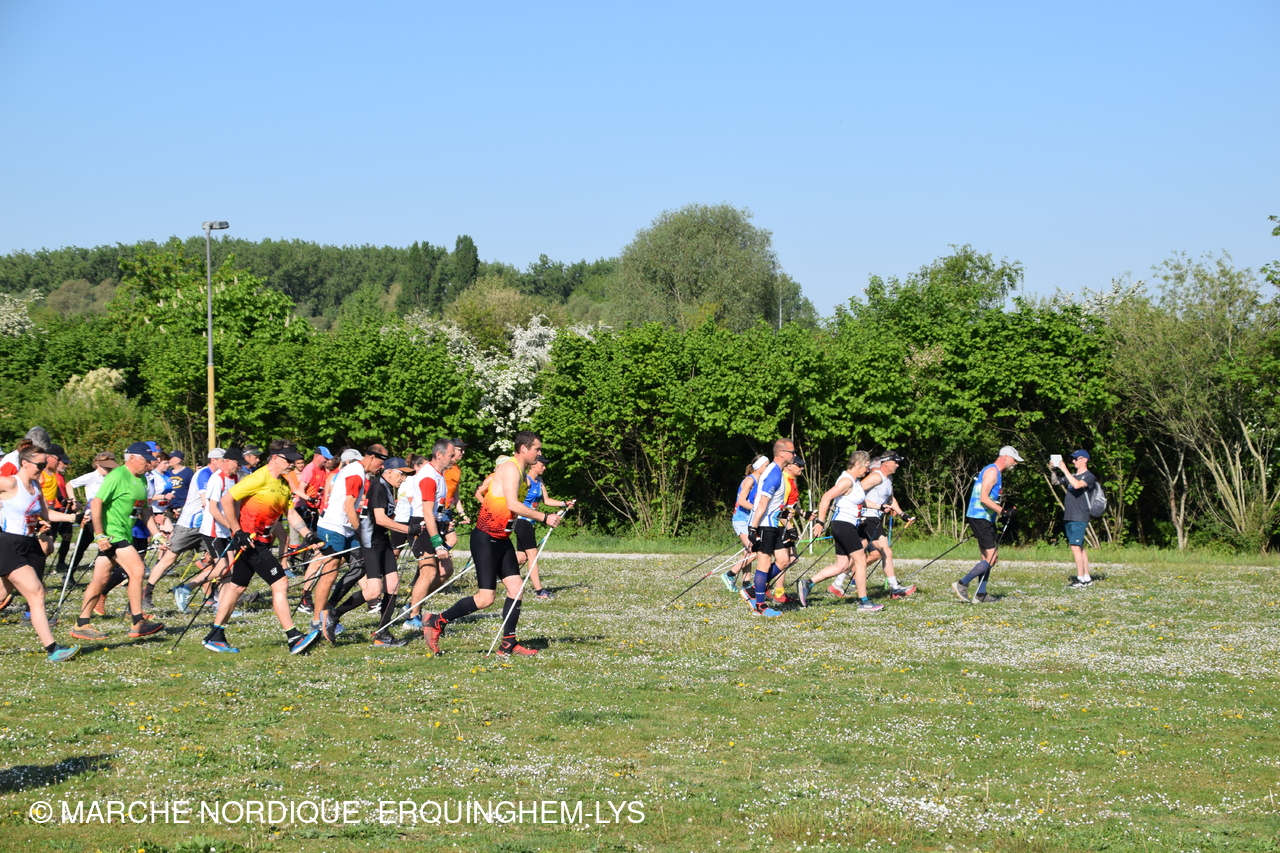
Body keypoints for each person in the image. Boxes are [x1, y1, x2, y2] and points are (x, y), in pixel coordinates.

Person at [423, 431, 561, 657]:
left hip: (502, 539)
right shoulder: (510, 469)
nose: (540, 453)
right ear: (524, 449)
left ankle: (508, 643)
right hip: (486, 539)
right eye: (537, 449)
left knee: (516, 589)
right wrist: (544, 517)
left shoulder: (522, 473)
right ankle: (437, 621)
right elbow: (513, 505)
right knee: (485, 598)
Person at [201, 445, 322, 654]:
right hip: (250, 542)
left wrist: (308, 535)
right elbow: (226, 499)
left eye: (293, 461)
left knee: (237, 587)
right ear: (274, 458)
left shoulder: (283, 483)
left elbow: (290, 514)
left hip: (262, 541)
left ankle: (215, 636)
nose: (291, 464)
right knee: (280, 582)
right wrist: (237, 532)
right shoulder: (258, 477)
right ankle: (294, 637)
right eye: (288, 460)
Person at [69, 442, 166, 641]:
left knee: (100, 579)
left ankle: (81, 624)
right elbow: (97, 502)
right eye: (146, 460)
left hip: (124, 533)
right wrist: (100, 535)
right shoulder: (118, 475)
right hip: (113, 534)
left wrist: (156, 534)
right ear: (132, 458)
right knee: (137, 570)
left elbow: (144, 509)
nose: (149, 464)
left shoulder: (142, 479)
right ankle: (137, 622)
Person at [0, 445, 80, 661]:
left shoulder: (36, 485)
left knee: (2, 595)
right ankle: (53, 650)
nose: (43, 468)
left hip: (30, 544)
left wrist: (74, 518)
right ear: (25, 463)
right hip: (10, 544)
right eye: (40, 464)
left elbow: (47, 514)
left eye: (45, 464)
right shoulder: (9, 483)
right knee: (37, 593)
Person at [328, 456, 413, 647]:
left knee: (393, 585)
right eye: (401, 474)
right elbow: (381, 519)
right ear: (389, 472)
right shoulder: (379, 487)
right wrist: (408, 529)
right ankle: (334, 614)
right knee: (374, 591)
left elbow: (386, 518)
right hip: (371, 543)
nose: (404, 479)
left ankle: (382, 633)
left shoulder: (387, 487)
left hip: (382, 541)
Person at [313, 445, 385, 643]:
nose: (381, 467)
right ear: (371, 457)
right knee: (331, 571)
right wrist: (362, 533)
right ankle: (317, 620)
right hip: (333, 526)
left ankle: (330, 609)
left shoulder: (359, 471)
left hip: (345, 528)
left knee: (361, 565)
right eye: (381, 462)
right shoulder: (355, 472)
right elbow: (348, 506)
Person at [797, 451, 883, 612]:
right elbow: (826, 497)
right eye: (866, 466)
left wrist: (880, 506)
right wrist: (820, 522)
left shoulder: (855, 482)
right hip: (844, 525)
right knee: (861, 561)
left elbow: (859, 500)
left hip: (846, 525)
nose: (867, 470)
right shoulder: (846, 480)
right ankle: (863, 601)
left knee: (842, 566)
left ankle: (807, 583)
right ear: (857, 464)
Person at [952, 446, 1022, 604]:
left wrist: (1003, 510)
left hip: (985, 518)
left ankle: (980, 594)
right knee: (992, 558)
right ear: (1005, 457)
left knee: (986, 558)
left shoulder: (996, 472)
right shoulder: (992, 471)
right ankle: (961, 584)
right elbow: (983, 498)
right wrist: (1003, 512)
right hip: (980, 518)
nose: (1015, 463)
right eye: (1014, 459)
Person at [403, 439, 456, 629]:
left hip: (434, 522)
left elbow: (435, 509)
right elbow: (426, 512)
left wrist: (444, 520)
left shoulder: (439, 474)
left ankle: (412, 605)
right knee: (428, 571)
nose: (453, 459)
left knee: (446, 569)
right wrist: (437, 542)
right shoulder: (428, 476)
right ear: (439, 455)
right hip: (422, 525)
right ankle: (412, 617)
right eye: (451, 455)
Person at [743, 439, 797, 618]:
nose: (794, 455)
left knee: (784, 560)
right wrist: (753, 528)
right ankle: (760, 605)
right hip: (764, 524)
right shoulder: (773, 474)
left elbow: (774, 505)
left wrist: (787, 518)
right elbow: (762, 504)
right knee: (764, 563)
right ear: (781, 453)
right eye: (792, 452)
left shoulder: (778, 472)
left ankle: (753, 590)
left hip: (773, 524)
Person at [513, 453, 574, 600]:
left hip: (531, 521)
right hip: (522, 520)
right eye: (542, 465)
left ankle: (497, 569)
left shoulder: (539, 481)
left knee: (521, 558)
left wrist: (564, 503)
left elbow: (546, 500)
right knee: (533, 554)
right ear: (534, 465)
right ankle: (539, 591)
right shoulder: (525, 480)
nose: (544, 467)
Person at [858, 452, 916, 598]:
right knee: (886, 552)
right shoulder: (876, 476)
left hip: (874, 519)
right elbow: (855, 492)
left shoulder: (887, 479)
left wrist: (902, 514)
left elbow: (890, 498)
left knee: (856, 557)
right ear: (886, 463)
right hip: (867, 518)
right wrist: (874, 506)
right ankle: (895, 588)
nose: (897, 465)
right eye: (895, 462)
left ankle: (837, 584)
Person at [1053, 449, 1098, 588]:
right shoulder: (1072, 475)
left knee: (1075, 546)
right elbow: (1056, 482)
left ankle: (1080, 580)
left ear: (1085, 460)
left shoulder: (1089, 476)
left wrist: (1064, 469)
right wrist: (1053, 470)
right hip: (1070, 515)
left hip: (1080, 516)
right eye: (1072, 459)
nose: (1073, 461)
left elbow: (1078, 485)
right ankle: (1086, 577)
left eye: (1076, 459)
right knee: (1080, 547)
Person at [722, 456, 768, 591]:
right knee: (755, 550)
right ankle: (730, 575)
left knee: (749, 551)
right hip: (741, 520)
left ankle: (746, 583)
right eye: (766, 466)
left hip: (750, 521)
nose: (768, 468)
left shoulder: (761, 481)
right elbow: (741, 501)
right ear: (758, 467)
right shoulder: (750, 480)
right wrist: (757, 509)